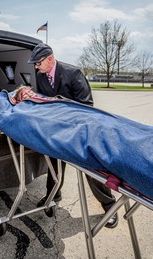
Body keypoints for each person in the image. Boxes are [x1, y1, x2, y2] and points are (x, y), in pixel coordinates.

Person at [27, 43, 118, 228]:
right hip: (57, 130)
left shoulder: (73, 73)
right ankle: (53, 196)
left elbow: (87, 106)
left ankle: (110, 205)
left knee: (90, 170)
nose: (36, 67)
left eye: (38, 63)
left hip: (79, 130)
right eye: (35, 64)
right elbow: (45, 102)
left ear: (50, 59)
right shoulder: (40, 76)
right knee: (53, 164)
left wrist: (63, 108)